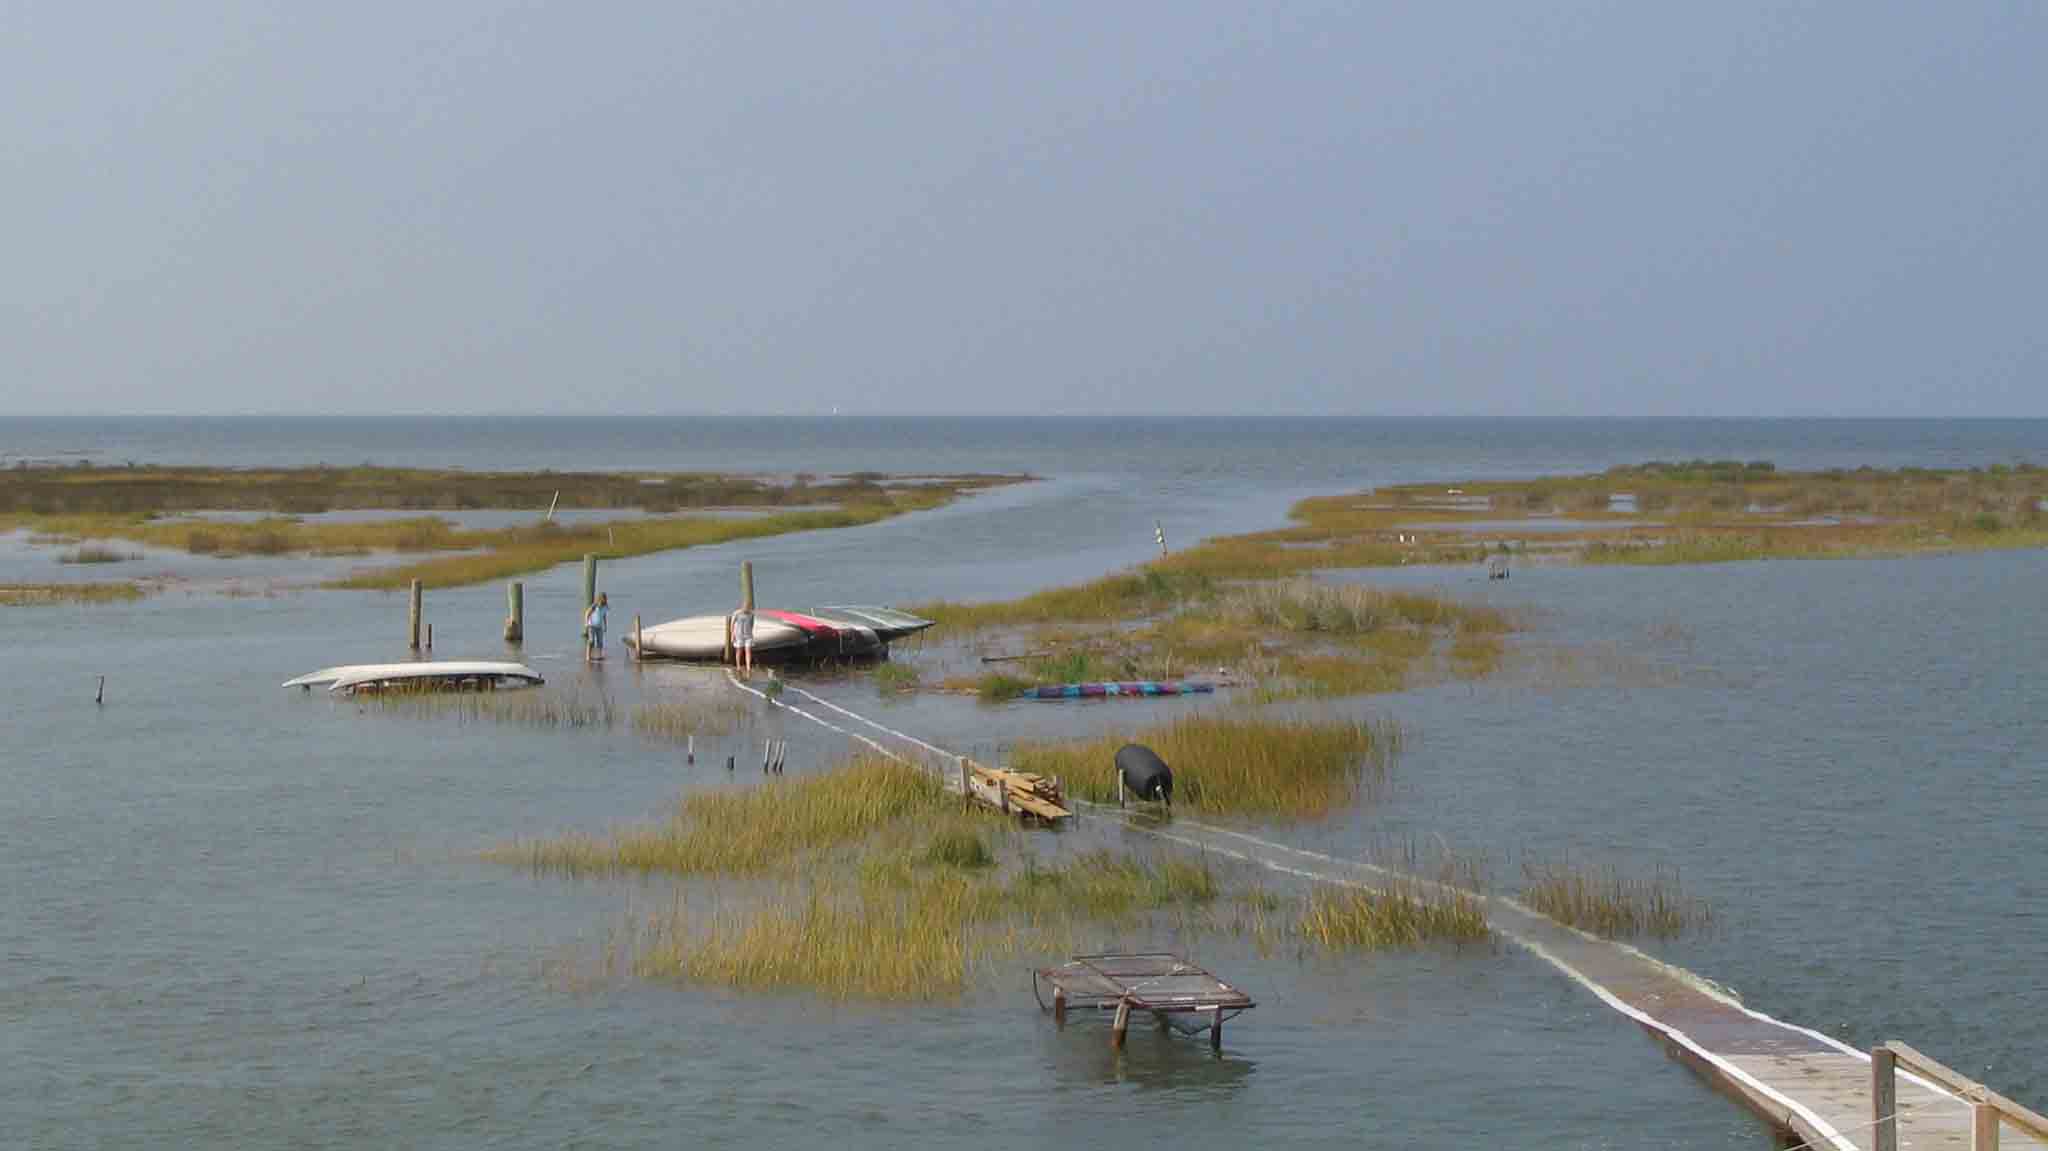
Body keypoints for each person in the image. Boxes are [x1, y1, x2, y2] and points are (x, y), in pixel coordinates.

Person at [730, 602, 755, 677]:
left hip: (748, 635)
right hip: (738, 635)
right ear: (742, 607)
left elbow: (752, 624)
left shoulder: (751, 614)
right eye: (745, 607)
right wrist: (732, 635)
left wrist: (750, 633)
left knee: (748, 651)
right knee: (739, 650)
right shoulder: (736, 613)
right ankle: (738, 666)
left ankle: (748, 667)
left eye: (748, 607)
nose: (746, 609)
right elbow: (732, 624)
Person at [584, 593, 609, 661]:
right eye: (603, 598)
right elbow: (587, 613)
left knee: (600, 642)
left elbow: (604, 616)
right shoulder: (594, 606)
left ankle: (599, 656)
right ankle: (588, 656)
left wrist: (605, 625)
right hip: (591, 625)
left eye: (605, 599)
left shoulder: (605, 607)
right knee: (591, 641)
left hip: (599, 626)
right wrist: (586, 623)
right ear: (599, 599)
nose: (604, 600)